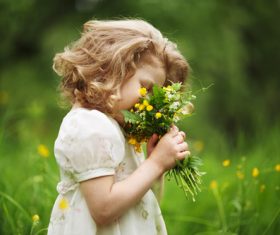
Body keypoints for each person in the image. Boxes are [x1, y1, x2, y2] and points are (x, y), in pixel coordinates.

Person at [48, 18, 190, 235]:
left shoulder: (111, 126)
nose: (148, 100)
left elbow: (142, 201)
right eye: (145, 88)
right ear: (111, 69)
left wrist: (156, 166)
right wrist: (155, 164)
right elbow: (104, 209)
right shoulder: (89, 126)